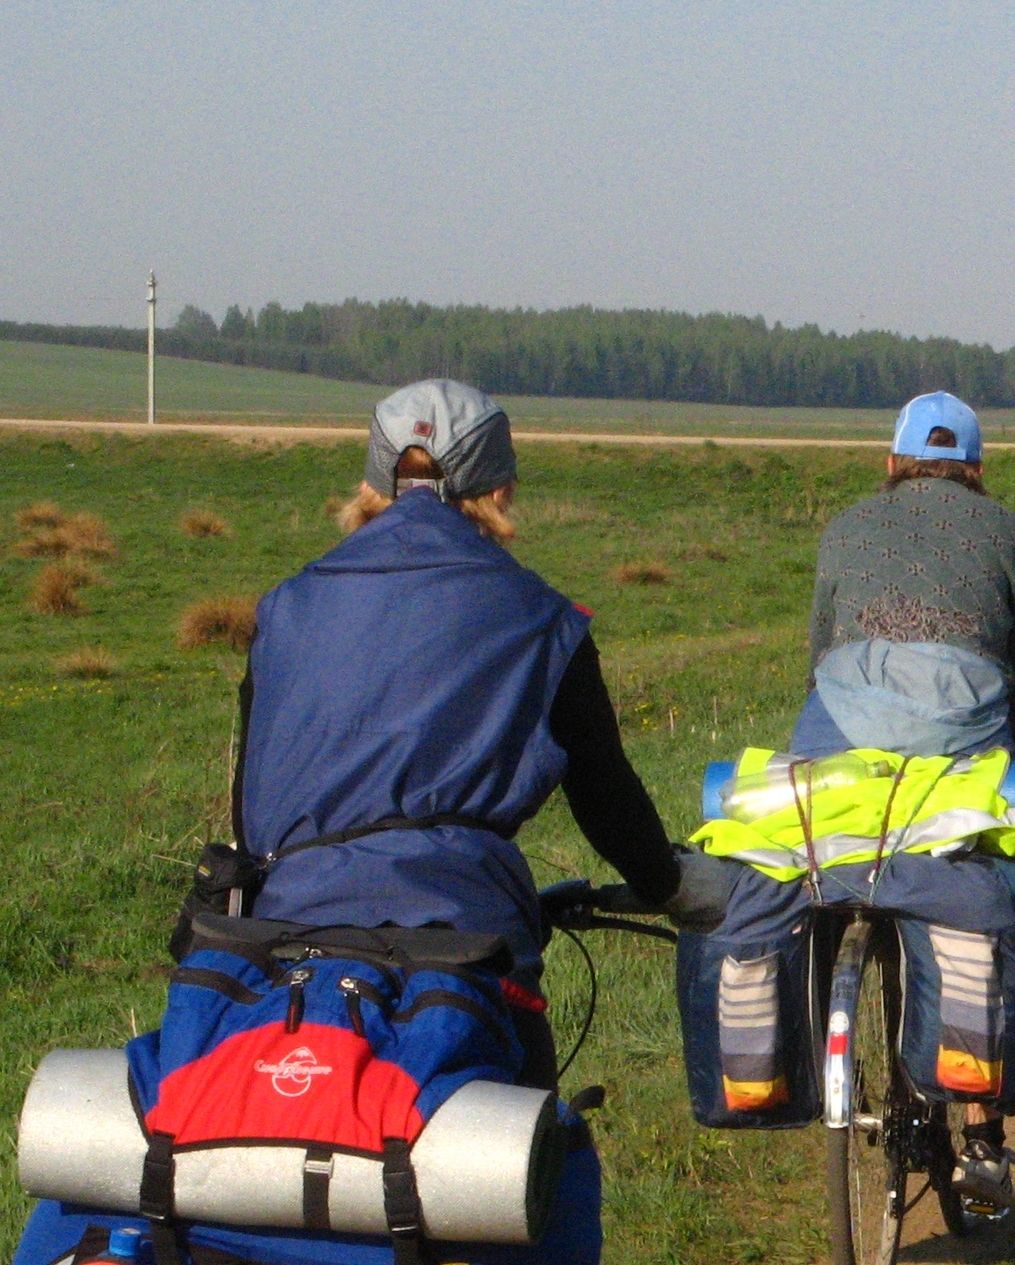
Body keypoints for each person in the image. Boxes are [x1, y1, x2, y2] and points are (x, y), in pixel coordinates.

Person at [237, 378, 728, 1086]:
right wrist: (671, 885)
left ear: (371, 483)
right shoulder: (541, 618)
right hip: (463, 940)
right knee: (529, 1138)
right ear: (499, 490)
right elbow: (603, 790)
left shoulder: (283, 608)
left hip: (288, 939)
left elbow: (250, 804)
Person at [791, 390, 1015, 1208]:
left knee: (807, 849)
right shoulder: (1008, 531)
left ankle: (814, 1028)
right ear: (976, 469)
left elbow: (819, 650)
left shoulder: (845, 528)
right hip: (963, 742)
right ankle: (983, 1135)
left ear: (891, 462)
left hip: (841, 729)